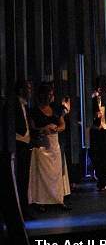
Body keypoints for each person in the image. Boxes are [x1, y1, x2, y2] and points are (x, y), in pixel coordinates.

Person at [28, 83, 71, 211]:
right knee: (42, 175)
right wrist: (43, 129)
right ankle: (41, 201)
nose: (51, 96)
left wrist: (56, 128)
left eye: (52, 94)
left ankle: (58, 199)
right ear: (42, 95)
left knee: (56, 173)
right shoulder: (34, 111)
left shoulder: (56, 109)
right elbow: (32, 128)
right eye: (48, 94)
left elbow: (63, 125)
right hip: (41, 146)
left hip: (54, 144)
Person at [10, 80, 33, 218]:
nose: (30, 91)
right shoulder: (14, 104)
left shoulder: (25, 106)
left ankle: (24, 209)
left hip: (25, 143)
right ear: (20, 90)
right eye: (27, 88)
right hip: (18, 144)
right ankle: (19, 210)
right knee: (19, 178)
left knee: (24, 178)